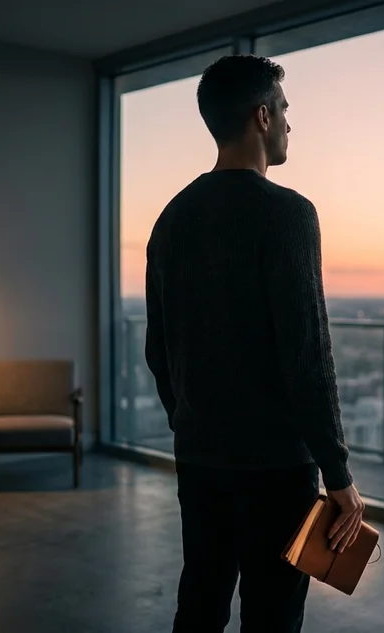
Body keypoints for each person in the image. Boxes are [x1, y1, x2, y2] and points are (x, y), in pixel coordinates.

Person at [144, 54, 366, 633]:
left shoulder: (172, 219)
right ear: (262, 116)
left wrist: (190, 424)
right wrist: (338, 476)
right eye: (287, 110)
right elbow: (307, 358)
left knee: (201, 600)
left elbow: (156, 348)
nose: (293, 124)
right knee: (271, 615)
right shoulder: (288, 215)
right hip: (275, 469)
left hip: (199, 459)